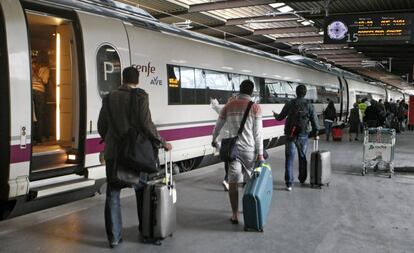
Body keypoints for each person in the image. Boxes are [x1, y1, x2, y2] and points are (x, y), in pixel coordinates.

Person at [98, 67, 172, 248]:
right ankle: (145, 231)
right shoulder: (140, 96)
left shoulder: (108, 98)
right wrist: (162, 142)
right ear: (137, 80)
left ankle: (114, 238)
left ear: (122, 79)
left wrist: (109, 142)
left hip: (114, 154)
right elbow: (147, 124)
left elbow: (102, 125)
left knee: (113, 195)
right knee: (142, 192)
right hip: (135, 154)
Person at [211, 80, 264, 224]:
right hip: (249, 149)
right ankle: (248, 208)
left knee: (233, 182)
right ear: (252, 92)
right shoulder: (255, 107)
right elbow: (258, 133)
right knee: (249, 180)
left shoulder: (229, 105)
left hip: (233, 149)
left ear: (239, 90)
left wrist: (214, 139)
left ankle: (235, 214)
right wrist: (260, 153)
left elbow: (218, 126)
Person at [273, 85, 319, 192]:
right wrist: (315, 133)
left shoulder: (290, 103)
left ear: (296, 92)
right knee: (302, 157)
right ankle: (302, 179)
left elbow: (280, 117)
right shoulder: (309, 105)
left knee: (289, 159)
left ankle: (289, 183)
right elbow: (315, 122)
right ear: (305, 93)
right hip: (303, 134)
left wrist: (275, 115)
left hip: (290, 135)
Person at [210, 95, 236, 191]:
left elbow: (216, 106)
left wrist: (213, 100)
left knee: (227, 160)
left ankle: (228, 179)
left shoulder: (223, 110)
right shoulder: (237, 112)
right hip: (234, 139)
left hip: (224, 139)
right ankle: (227, 180)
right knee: (235, 160)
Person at [32, 51, 50, 144]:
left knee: (33, 116)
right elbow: (45, 81)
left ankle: (32, 137)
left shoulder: (33, 66)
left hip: (31, 91)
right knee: (40, 116)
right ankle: (39, 139)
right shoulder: (45, 69)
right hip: (40, 92)